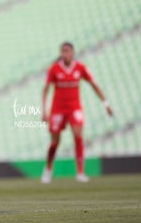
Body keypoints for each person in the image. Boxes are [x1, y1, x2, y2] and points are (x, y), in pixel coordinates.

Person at [41, 42, 113, 183]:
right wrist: (44, 111)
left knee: (78, 136)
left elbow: (94, 85)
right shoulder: (54, 69)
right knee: (55, 141)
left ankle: (80, 172)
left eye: (67, 51)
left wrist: (106, 104)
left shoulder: (80, 68)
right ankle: (48, 169)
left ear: (72, 53)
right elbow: (45, 89)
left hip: (74, 108)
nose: (64, 54)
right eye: (62, 51)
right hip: (57, 109)